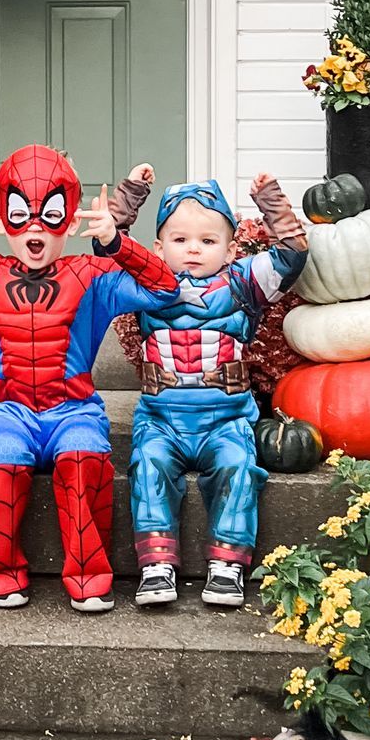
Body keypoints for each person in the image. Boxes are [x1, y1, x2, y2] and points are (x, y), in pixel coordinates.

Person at [0, 144, 176, 613]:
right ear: (2, 221)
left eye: (48, 216)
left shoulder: (94, 275)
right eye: (21, 215)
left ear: (68, 221)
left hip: (73, 408)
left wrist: (115, 243)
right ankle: (0, 570)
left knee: (86, 456)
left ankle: (89, 573)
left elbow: (165, 289)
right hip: (6, 409)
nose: (34, 229)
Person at [111, 166, 308, 609]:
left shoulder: (242, 283)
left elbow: (292, 254)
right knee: (148, 467)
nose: (194, 249)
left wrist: (271, 201)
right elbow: (108, 251)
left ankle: (227, 565)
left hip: (226, 418)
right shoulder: (146, 281)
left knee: (239, 467)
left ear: (230, 246)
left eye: (207, 240)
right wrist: (131, 195)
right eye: (180, 240)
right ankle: (156, 565)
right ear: (159, 247)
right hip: (162, 420)